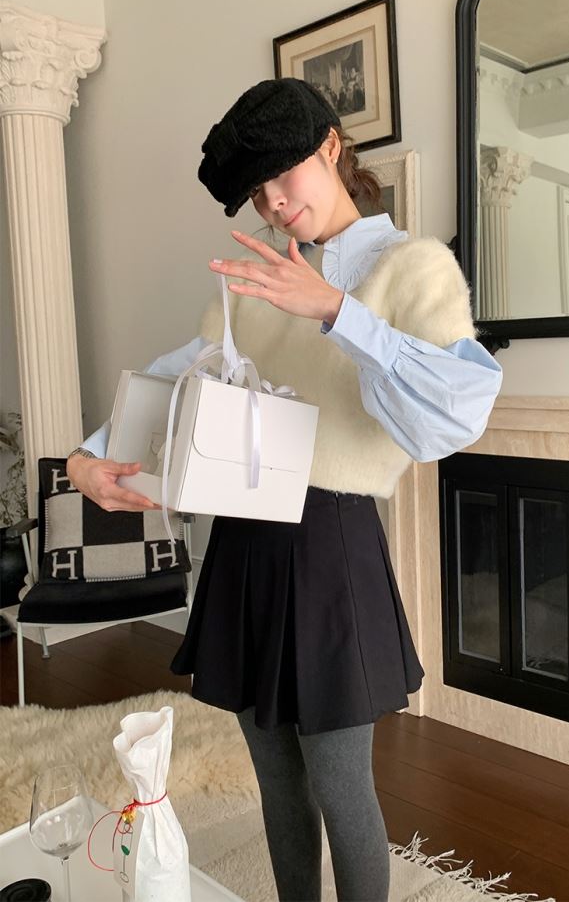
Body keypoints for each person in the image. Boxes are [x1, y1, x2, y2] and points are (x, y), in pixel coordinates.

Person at [66, 74, 504, 902]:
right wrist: (89, 455)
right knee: (276, 778)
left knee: (342, 786)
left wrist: (338, 309)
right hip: (242, 546)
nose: (273, 200)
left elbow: (460, 410)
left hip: (331, 546)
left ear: (332, 145)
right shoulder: (257, 278)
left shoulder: (412, 266)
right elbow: (179, 374)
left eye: (283, 173)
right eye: (257, 190)